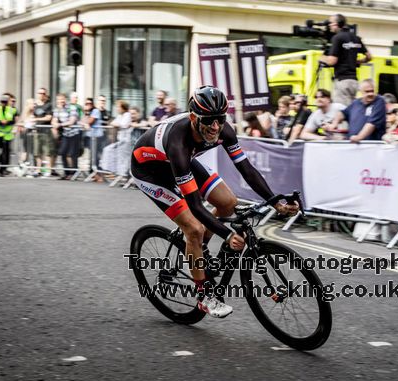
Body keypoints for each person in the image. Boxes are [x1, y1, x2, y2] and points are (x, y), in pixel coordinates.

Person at [131, 85, 299, 318]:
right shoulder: (178, 142)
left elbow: (247, 170)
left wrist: (275, 203)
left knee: (228, 202)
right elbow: (196, 205)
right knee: (194, 228)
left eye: (220, 119)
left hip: (183, 162)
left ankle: (199, 250)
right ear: (193, 118)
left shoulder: (223, 130)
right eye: (209, 120)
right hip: (150, 172)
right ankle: (204, 296)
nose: (215, 126)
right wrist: (228, 235)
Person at [320, 14, 372, 106]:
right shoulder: (356, 38)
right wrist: (358, 62)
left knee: (341, 110)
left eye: (331, 23)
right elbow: (369, 57)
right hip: (354, 81)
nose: (329, 25)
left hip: (342, 81)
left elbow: (332, 61)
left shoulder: (337, 38)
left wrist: (322, 58)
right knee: (351, 110)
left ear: (337, 24)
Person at [51, 93, 79, 180]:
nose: (60, 101)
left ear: (65, 100)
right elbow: (54, 121)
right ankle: (66, 173)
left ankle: (73, 173)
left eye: (62, 99)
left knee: (71, 154)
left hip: (74, 134)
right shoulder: (57, 110)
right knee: (62, 152)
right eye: (59, 99)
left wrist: (59, 125)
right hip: (65, 134)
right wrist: (55, 124)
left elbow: (72, 121)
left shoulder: (72, 108)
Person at [0, 94, 18, 176]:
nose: (4, 103)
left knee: (5, 153)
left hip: (7, 135)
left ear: (7, 102)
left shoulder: (12, 110)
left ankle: (2, 169)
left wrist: (7, 122)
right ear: (0, 102)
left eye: (5, 102)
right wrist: (1, 122)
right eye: (2, 102)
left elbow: (13, 121)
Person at [32, 88, 54, 177]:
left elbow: (48, 118)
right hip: (37, 130)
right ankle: (38, 170)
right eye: (40, 93)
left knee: (47, 152)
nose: (41, 95)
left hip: (46, 131)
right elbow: (32, 116)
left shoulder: (48, 105)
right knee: (37, 152)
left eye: (43, 93)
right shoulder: (35, 105)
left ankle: (48, 170)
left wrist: (36, 119)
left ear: (45, 95)